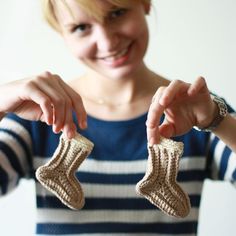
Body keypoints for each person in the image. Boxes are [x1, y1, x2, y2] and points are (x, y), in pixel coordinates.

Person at [0, 0, 235, 235]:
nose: (107, 42)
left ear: (145, 4)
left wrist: (216, 120)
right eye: (81, 27)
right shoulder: (36, 114)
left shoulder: (200, 110)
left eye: (117, 13)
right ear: (61, 32)